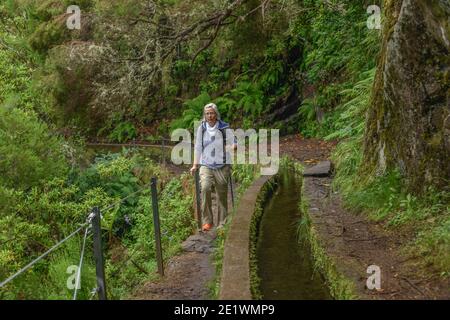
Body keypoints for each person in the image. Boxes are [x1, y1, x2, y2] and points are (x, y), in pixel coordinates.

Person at [190, 103, 237, 232]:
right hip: (206, 164)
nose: (210, 116)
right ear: (204, 115)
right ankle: (207, 221)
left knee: (221, 194)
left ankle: (222, 222)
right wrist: (195, 165)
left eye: (212, 113)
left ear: (216, 114)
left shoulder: (224, 127)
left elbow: (234, 143)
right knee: (205, 188)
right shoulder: (202, 128)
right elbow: (198, 147)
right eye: (207, 113)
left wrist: (230, 147)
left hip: (222, 165)